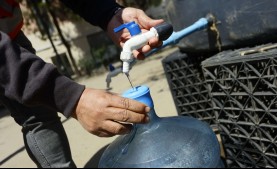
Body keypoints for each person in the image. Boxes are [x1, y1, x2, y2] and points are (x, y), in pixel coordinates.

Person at [0, 0, 164, 168]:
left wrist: (110, 13)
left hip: (10, 30)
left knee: (41, 115)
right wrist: (73, 99)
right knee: (35, 116)